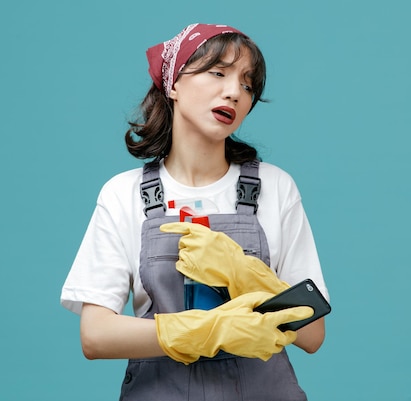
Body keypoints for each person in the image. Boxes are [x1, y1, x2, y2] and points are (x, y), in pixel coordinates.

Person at [61, 23, 329, 400]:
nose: (234, 92)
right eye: (218, 73)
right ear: (173, 84)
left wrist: (244, 273)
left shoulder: (275, 188)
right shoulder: (124, 194)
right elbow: (95, 335)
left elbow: (312, 335)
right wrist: (207, 329)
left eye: (248, 85)